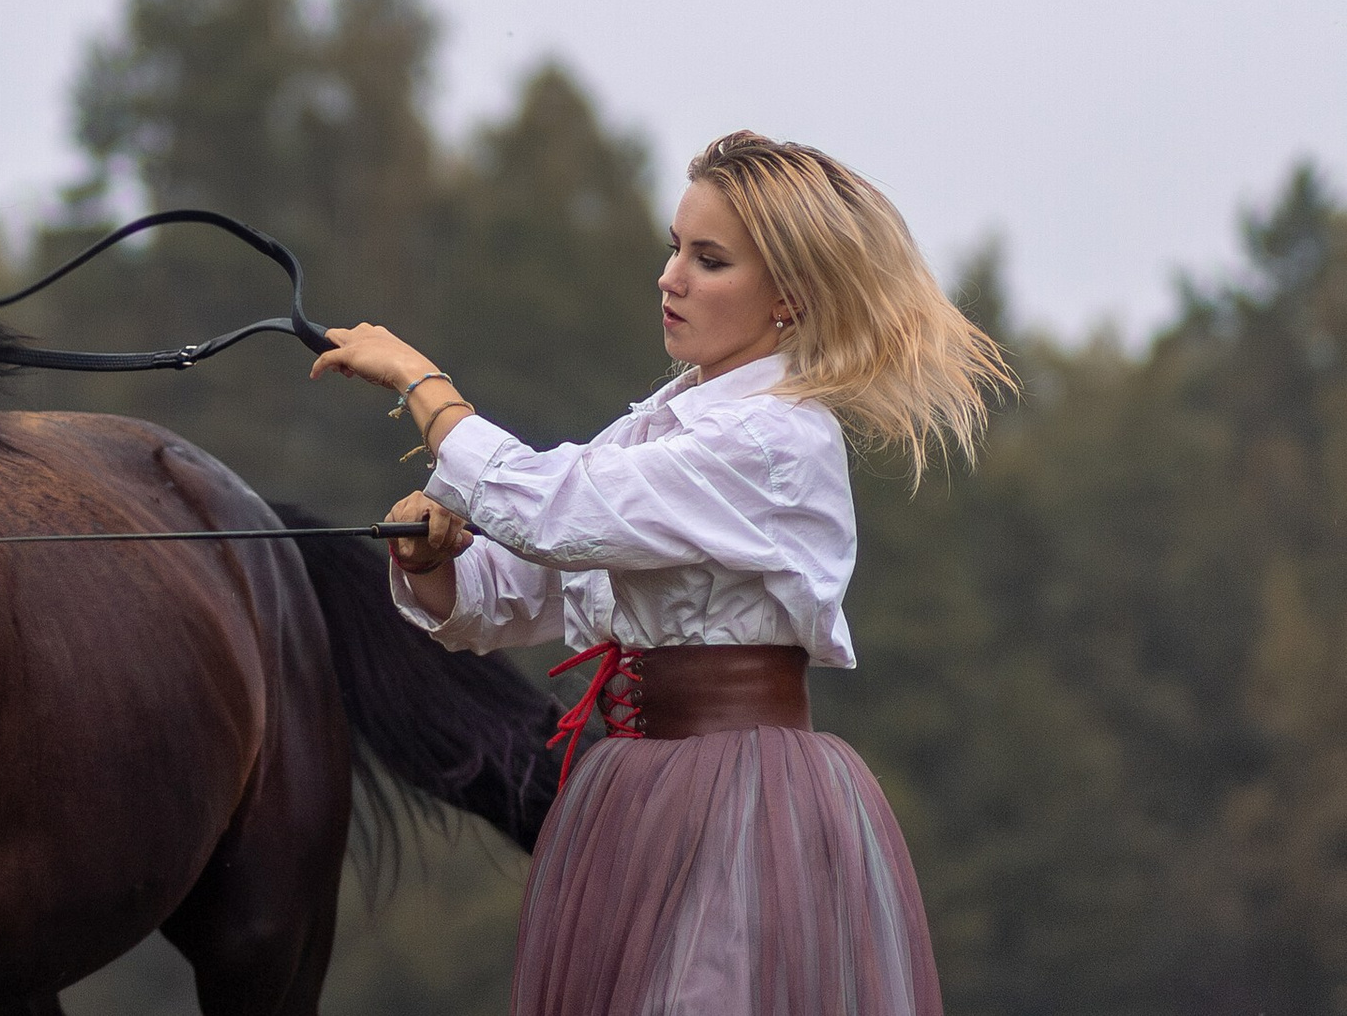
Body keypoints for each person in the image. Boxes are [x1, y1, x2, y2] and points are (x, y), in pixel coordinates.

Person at [312, 130, 1009, 1016]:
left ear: (789, 297)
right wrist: (432, 560)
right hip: (637, 793)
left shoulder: (774, 438)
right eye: (676, 248)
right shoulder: (664, 422)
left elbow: (555, 511)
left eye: (709, 259)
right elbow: (515, 589)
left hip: (744, 799)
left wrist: (421, 382)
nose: (670, 277)